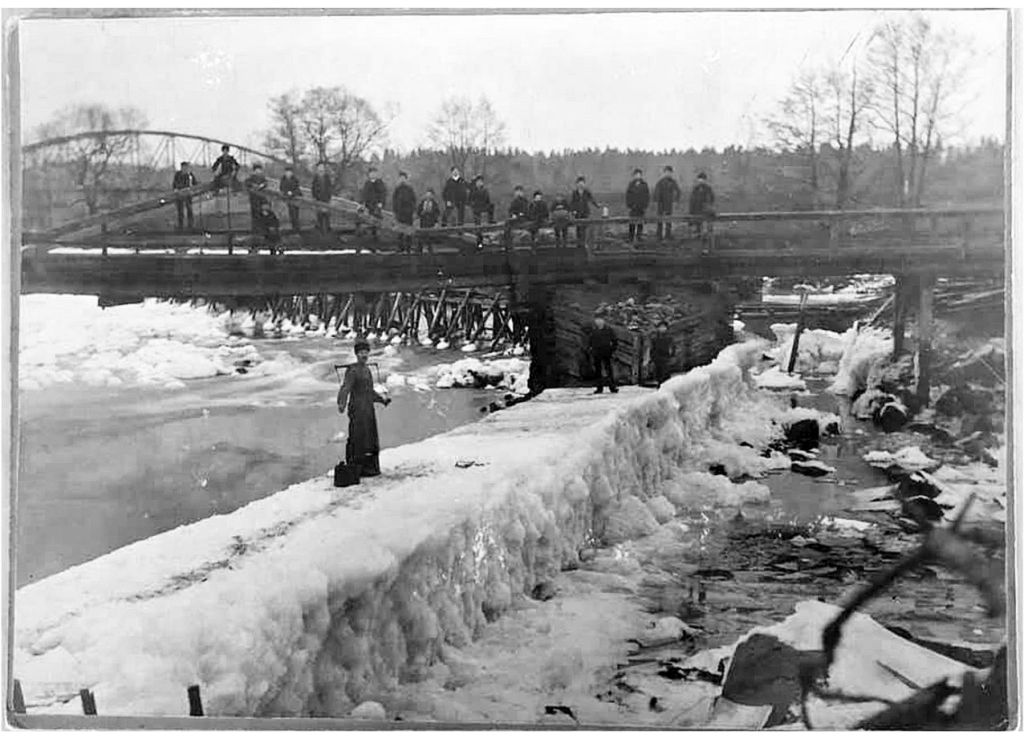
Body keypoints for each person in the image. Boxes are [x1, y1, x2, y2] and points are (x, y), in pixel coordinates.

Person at [336, 339, 391, 477]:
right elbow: (345, 388)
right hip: (357, 410)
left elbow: (370, 391)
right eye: (361, 352)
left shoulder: (367, 370)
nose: (364, 355)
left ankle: (370, 469)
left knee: (370, 439)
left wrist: (381, 400)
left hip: (368, 410)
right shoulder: (352, 370)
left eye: (366, 352)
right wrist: (341, 403)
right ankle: (356, 468)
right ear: (356, 354)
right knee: (357, 438)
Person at [588, 315, 618, 394]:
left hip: (606, 352)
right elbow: (590, 341)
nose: (598, 322)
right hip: (597, 353)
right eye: (597, 321)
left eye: (599, 320)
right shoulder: (594, 331)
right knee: (598, 371)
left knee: (608, 370)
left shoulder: (608, 330)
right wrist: (591, 349)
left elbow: (615, 340)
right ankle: (599, 388)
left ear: (603, 321)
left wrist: (612, 349)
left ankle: (612, 387)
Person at [653, 165, 682, 241]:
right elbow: (656, 193)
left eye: (669, 172)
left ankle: (668, 235)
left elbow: (678, 191)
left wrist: (676, 200)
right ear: (664, 173)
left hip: (669, 204)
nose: (668, 174)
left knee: (668, 220)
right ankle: (659, 235)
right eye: (666, 172)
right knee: (660, 220)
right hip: (661, 204)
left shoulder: (673, 182)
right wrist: (656, 201)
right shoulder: (660, 182)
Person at [569, 176, 600, 246]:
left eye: (582, 183)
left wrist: (597, 205)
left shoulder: (587, 192)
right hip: (577, 212)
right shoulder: (575, 193)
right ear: (577, 184)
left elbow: (592, 199)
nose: (581, 185)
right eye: (579, 183)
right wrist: (572, 210)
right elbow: (573, 202)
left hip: (585, 211)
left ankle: (584, 242)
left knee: (585, 227)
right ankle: (579, 242)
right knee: (578, 227)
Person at [392, 171, 417, 252]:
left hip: (408, 214)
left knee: (408, 232)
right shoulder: (397, 189)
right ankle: (400, 247)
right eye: (400, 178)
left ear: (406, 179)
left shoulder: (410, 189)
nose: (402, 180)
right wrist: (395, 211)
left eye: (403, 178)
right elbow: (394, 201)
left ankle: (408, 248)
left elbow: (413, 201)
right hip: (399, 213)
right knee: (400, 232)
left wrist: (413, 211)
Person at [360, 166, 387, 241]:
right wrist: (363, 203)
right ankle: (369, 235)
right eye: (371, 173)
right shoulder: (367, 183)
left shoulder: (380, 183)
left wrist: (381, 202)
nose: (373, 175)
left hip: (376, 205)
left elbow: (383, 193)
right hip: (369, 205)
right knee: (368, 219)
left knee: (376, 220)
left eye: (374, 173)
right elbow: (364, 194)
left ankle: (376, 236)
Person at [625, 168, 650, 243]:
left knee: (640, 223)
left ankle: (639, 237)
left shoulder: (644, 185)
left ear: (641, 176)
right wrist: (629, 205)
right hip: (633, 207)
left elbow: (647, 196)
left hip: (641, 207)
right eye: (636, 175)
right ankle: (631, 237)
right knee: (632, 223)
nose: (638, 176)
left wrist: (645, 206)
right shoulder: (631, 185)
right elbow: (628, 196)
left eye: (639, 175)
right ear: (634, 176)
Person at [172, 161, 197, 231]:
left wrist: (192, 190)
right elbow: (174, 184)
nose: (184, 169)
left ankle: (190, 226)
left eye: (186, 167)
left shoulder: (190, 175)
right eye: (183, 167)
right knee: (180, 211)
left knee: (189, 210)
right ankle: (180, 226)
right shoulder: (177, 174)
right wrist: (176, 190)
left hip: (188, 195)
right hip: (179, 195)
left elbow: (195, 184)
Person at [469, 175, 493, 248]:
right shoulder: (473, 191)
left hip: (483, 207)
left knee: (491, 206)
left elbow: (488, 200)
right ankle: (479, 242)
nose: (479, 183)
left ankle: (490, 221)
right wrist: (473, 204)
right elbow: (470, 200)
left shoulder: (485, 190)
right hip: (477, 208)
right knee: (478, 226)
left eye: (481, 182)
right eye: (478, 182)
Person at [688, 171, 716, 236]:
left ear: (705, 180)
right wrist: (691, 211)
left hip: (705, 211)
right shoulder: (695, 189)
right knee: (697, 226)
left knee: (706, 226)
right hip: (696, 210)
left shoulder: (708, 189)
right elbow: (692, 200)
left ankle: (705, 234)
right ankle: (698, 234)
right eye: (700, 179)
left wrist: (709, 207)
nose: (701, 181)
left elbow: (711, 199)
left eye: (702, 179)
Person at [416, 188, 442, 253]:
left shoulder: (434, 203)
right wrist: (422, 212)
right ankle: (419, 249)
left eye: (430, 195)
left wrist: (436, 221)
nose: (428, 196)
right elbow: (418, 212)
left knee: (430, 236)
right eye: (427, 194)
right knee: (422, 235)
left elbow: (437, 213)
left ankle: (430, 249)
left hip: (431, 221)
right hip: (423, 221)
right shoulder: (422, 202)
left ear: (432, 195)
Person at [279, 165, 302, 233]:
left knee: (295, 214)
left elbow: (298, 189)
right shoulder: (283, 179)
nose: (288, 173)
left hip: (295, 199)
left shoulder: (295, 179)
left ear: (292, 173)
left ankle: (296, 229)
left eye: (289, 172)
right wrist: (286, 193)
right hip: (287, 199)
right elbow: (281, 188)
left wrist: (292, 193)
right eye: (287, 172)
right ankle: (292, 228)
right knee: (290, 214)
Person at [312, 162, 333, 233]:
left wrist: (329, 197)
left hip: (326, 198)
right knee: (319, 214)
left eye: (322, 167)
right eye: (319, 167)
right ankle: (320, 229)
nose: (321, 169)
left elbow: (330, 188)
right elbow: (313, 188)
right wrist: (315, 196)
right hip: (318, 198)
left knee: (327, 214)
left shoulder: (327, 177)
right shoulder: (315, 178)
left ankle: (328, 228)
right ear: (317, 168)